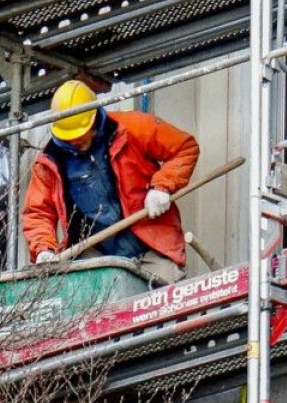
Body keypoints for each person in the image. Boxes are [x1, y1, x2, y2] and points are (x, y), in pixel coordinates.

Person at [20, 80, 198, 285]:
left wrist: (163, 186)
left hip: (153, 245)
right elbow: (37, 212)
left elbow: (184, 148)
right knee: (98, 311)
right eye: (69, 140)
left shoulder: (133, 128)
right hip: (97, 257)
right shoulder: (50, 162)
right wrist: (44, 249)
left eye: (79, 136)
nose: (75, 143)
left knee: (166, 305)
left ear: (95, 119)